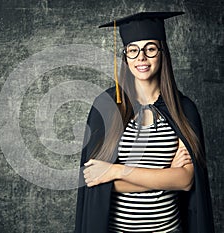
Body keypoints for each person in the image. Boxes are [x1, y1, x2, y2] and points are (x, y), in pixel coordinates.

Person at [75, 12, 214, 233]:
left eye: (150, 48)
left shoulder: (183, 110)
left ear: (162, 53)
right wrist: (166, 177)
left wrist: (116, 171)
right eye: (133, 50)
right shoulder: (106, 107)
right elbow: (94, 181)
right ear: (125, 56)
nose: (141, 58)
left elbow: (186, 180)